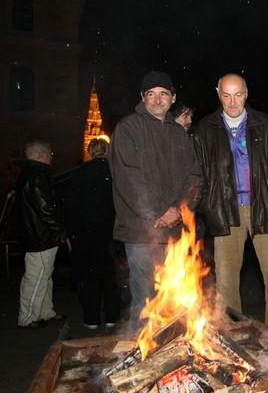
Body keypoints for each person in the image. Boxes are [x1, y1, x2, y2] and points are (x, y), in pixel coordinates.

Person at [189, 73, 268, 338]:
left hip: (266, 208)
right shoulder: (204, 129)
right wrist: (207, 208)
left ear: (246, 94)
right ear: (218, 95)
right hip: (225, 212)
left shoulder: (266, 124)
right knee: (226, 282)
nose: (232, 102)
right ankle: (232, 339)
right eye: (226, 95)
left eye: (238, 95)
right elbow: (197, 175)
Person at [107, 71, 200, 331]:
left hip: (175, 230)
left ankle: (172, 351)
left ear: (173, 98)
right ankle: (142, 351)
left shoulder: (179, 134)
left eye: (163, 94)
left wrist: (180, 210)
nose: (157, 100)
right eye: (151, 94)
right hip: (141, 232)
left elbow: (195, 177)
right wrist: (160, 211)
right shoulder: (128, 128)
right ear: (142, 97)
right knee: (145, 302)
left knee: (175, 301)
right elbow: (128, 178)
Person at [67, 138, 120, 329]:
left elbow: (70, 205)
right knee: (111, 275)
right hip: (111, 231)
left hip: (86, 233)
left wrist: (71, 232)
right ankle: (112, 316)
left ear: (90, 151)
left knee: (89, 277)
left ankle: (91, 319)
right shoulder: (115, 172)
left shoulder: (78, 173)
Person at [15, 140, 68, 329]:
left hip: (37, 234)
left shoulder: (29, 173)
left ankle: (45, 311)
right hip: (41, 236)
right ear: (42, 155)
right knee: (37, 276)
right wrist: (59, 229)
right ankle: (28, 317)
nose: (51, 157)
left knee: (44, 274)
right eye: (50, 154)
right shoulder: (37, 174)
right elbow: (44, 207)